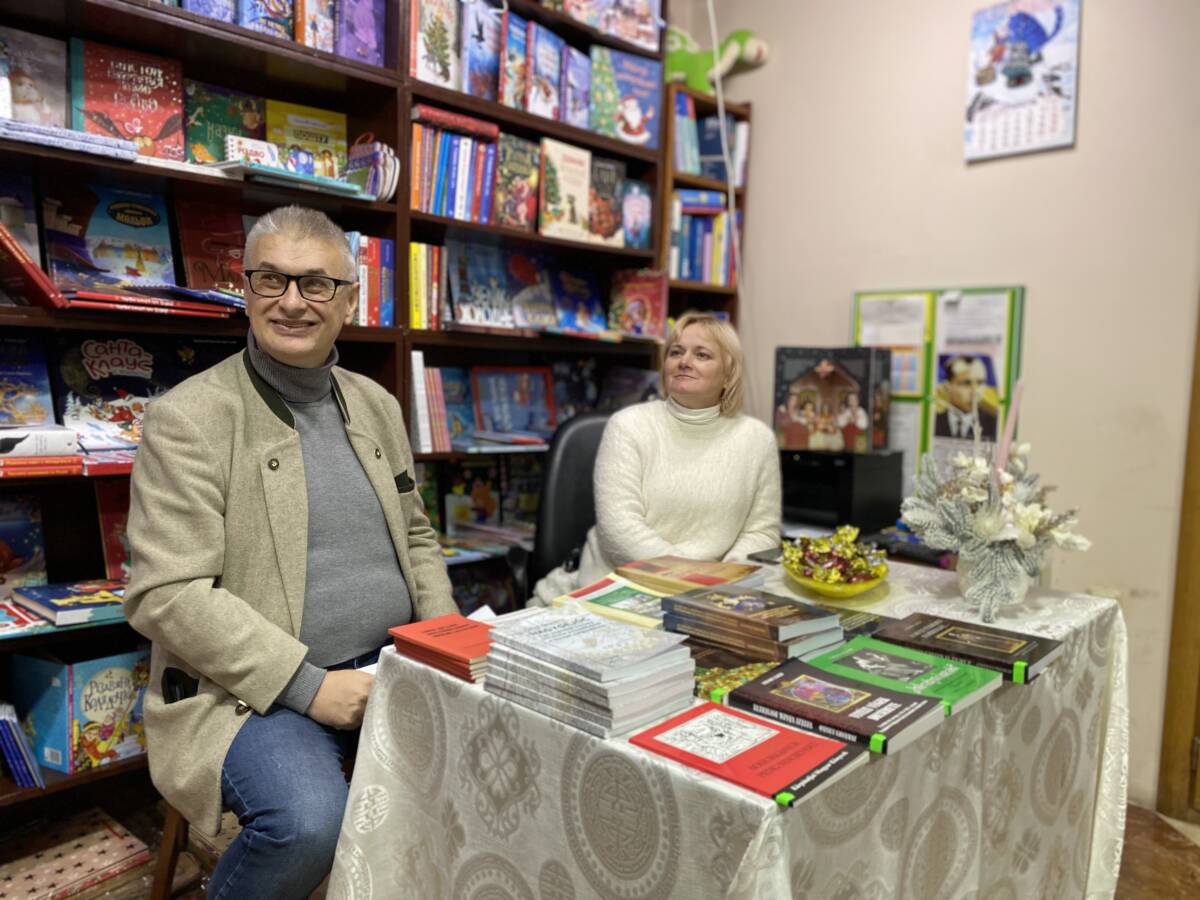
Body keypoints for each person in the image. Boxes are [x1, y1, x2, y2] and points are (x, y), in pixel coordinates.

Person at [124, 206, 456, 899]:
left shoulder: (376, 404)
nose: (292, 302)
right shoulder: (188, 418)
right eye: (271, 279)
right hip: (251, 694)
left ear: (349, 301)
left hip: (393, 664)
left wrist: (443, 643)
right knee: (307, 823)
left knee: (488, 767)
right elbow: (167, 594)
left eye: (315, 283)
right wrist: (310, 686)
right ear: (245, 289)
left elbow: (417, 535)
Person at [532, 311, 780, 602]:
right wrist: (694, 578)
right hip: (620, 590)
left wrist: (727, 578)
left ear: (729, 374)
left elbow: (762, 532)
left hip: (714, 596)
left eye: (701, 354)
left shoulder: (757, 439)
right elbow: (619, 530)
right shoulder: (628, 425)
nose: (684, 361)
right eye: (676, 352)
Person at [935, 354, 997, 440]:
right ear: (947, 387)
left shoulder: (995, 424)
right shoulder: (932, 422)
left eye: (980, 383)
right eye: (966, 383)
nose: (975, 392)